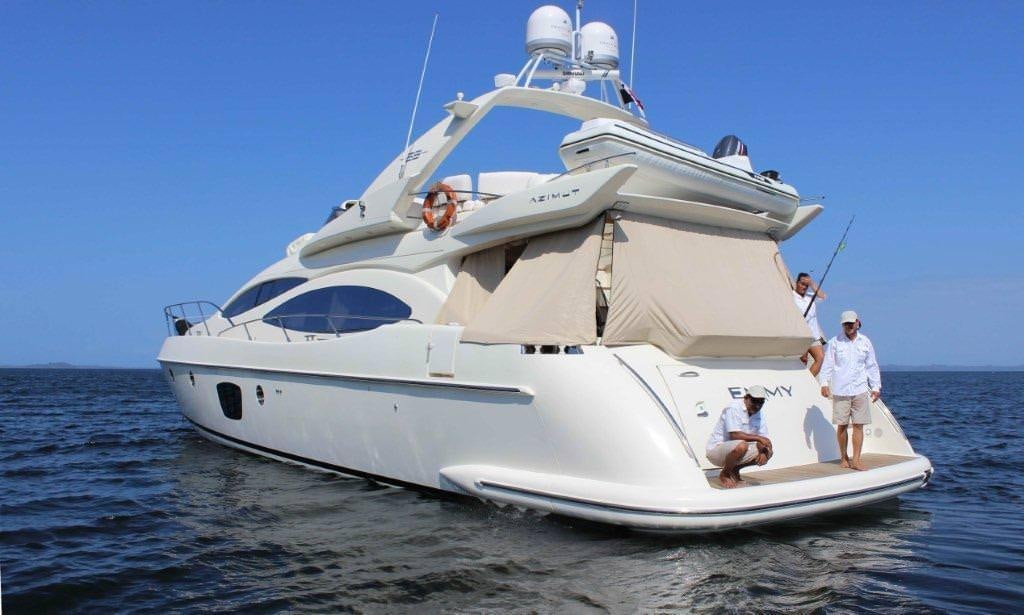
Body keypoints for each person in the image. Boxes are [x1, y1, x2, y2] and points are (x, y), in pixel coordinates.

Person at [818, 310, 881, 471]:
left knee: (859, 425)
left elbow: (871, 365)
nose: (849, 326)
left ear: (858, 322)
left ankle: (857, 459)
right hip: (841, 389)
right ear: (842, 325)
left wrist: (875, 387)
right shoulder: (835, 342)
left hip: (860, 388)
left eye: (851, 323)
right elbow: (827, 365)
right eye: (846, 324)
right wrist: (824, 383)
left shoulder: (865, 342)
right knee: (842, 425)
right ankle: (844, 456)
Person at [706, 385, 773, 488]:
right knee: (742, 445)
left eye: (761, 402)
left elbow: (765, 440)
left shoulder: (759, 414)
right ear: (746, 398)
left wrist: (764, 451)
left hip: (736, 451)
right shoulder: (733, 408)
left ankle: (735, 470)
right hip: (716, 451)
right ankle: (725, 474)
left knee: (768, 452)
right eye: (755, 401)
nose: (758, 405)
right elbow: (734, 435)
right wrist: (759, 439)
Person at [793, 272, 827, 376]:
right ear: (797, 283)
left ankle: (809, 380)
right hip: (800, 334)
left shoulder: (810, 297)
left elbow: (823, 296)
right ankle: (800, 381)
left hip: (814, 335)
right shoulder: (791, 296)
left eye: (806, 285)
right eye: (802, 284)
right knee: (803, 360)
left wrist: (812, 283)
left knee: (820, 358)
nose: (804, 287)